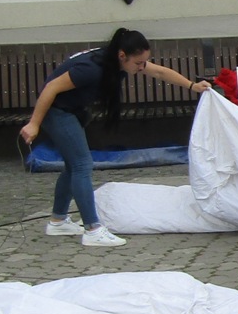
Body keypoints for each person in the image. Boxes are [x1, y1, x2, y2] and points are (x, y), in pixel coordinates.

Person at [20, 28, 211, 248]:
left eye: (144, 62)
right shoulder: (92, 68)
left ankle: (58, 221)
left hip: (71, 110)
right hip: (56, 112)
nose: (142, 67)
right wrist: (34, 124)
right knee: (82, 164)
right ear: (122, 55)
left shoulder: (117, 60)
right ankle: (92, 230)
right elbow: (50, 87)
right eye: (138, 63)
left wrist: (192, 86)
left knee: (74, 165)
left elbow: (159, 72)